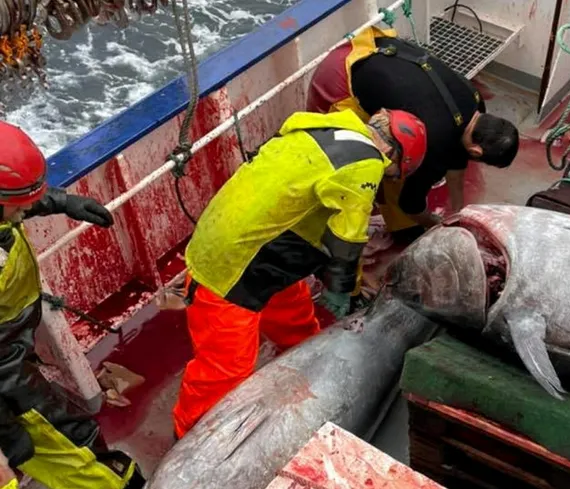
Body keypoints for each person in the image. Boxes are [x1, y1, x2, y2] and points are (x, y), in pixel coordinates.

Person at [172, 108, 427, 439]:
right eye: (392, 174)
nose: (386, 178)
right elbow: (347, 242)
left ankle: (299, 368)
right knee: (224, 373)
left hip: (262, 243)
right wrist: (343, 290)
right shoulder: (367, 163)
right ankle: (187, 440)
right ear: (392, 153)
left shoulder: (321, 127)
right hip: (229, 268)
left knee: (298, 325)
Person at [0, 121, 145, 489]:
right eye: (15, 210)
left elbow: (17, 204)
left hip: (14, 342)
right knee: (75, 447)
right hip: (6, 379)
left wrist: (62, 201)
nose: (23, 215)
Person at [306, 27, 520, 241]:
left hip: (371, 46)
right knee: (388, 168)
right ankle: (395, 230)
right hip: (338, 78)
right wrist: (437, 225)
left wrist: (457, 210)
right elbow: (410, 204)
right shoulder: (436, 145)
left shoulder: (474, 101)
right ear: (476, 150)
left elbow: (458, 159)